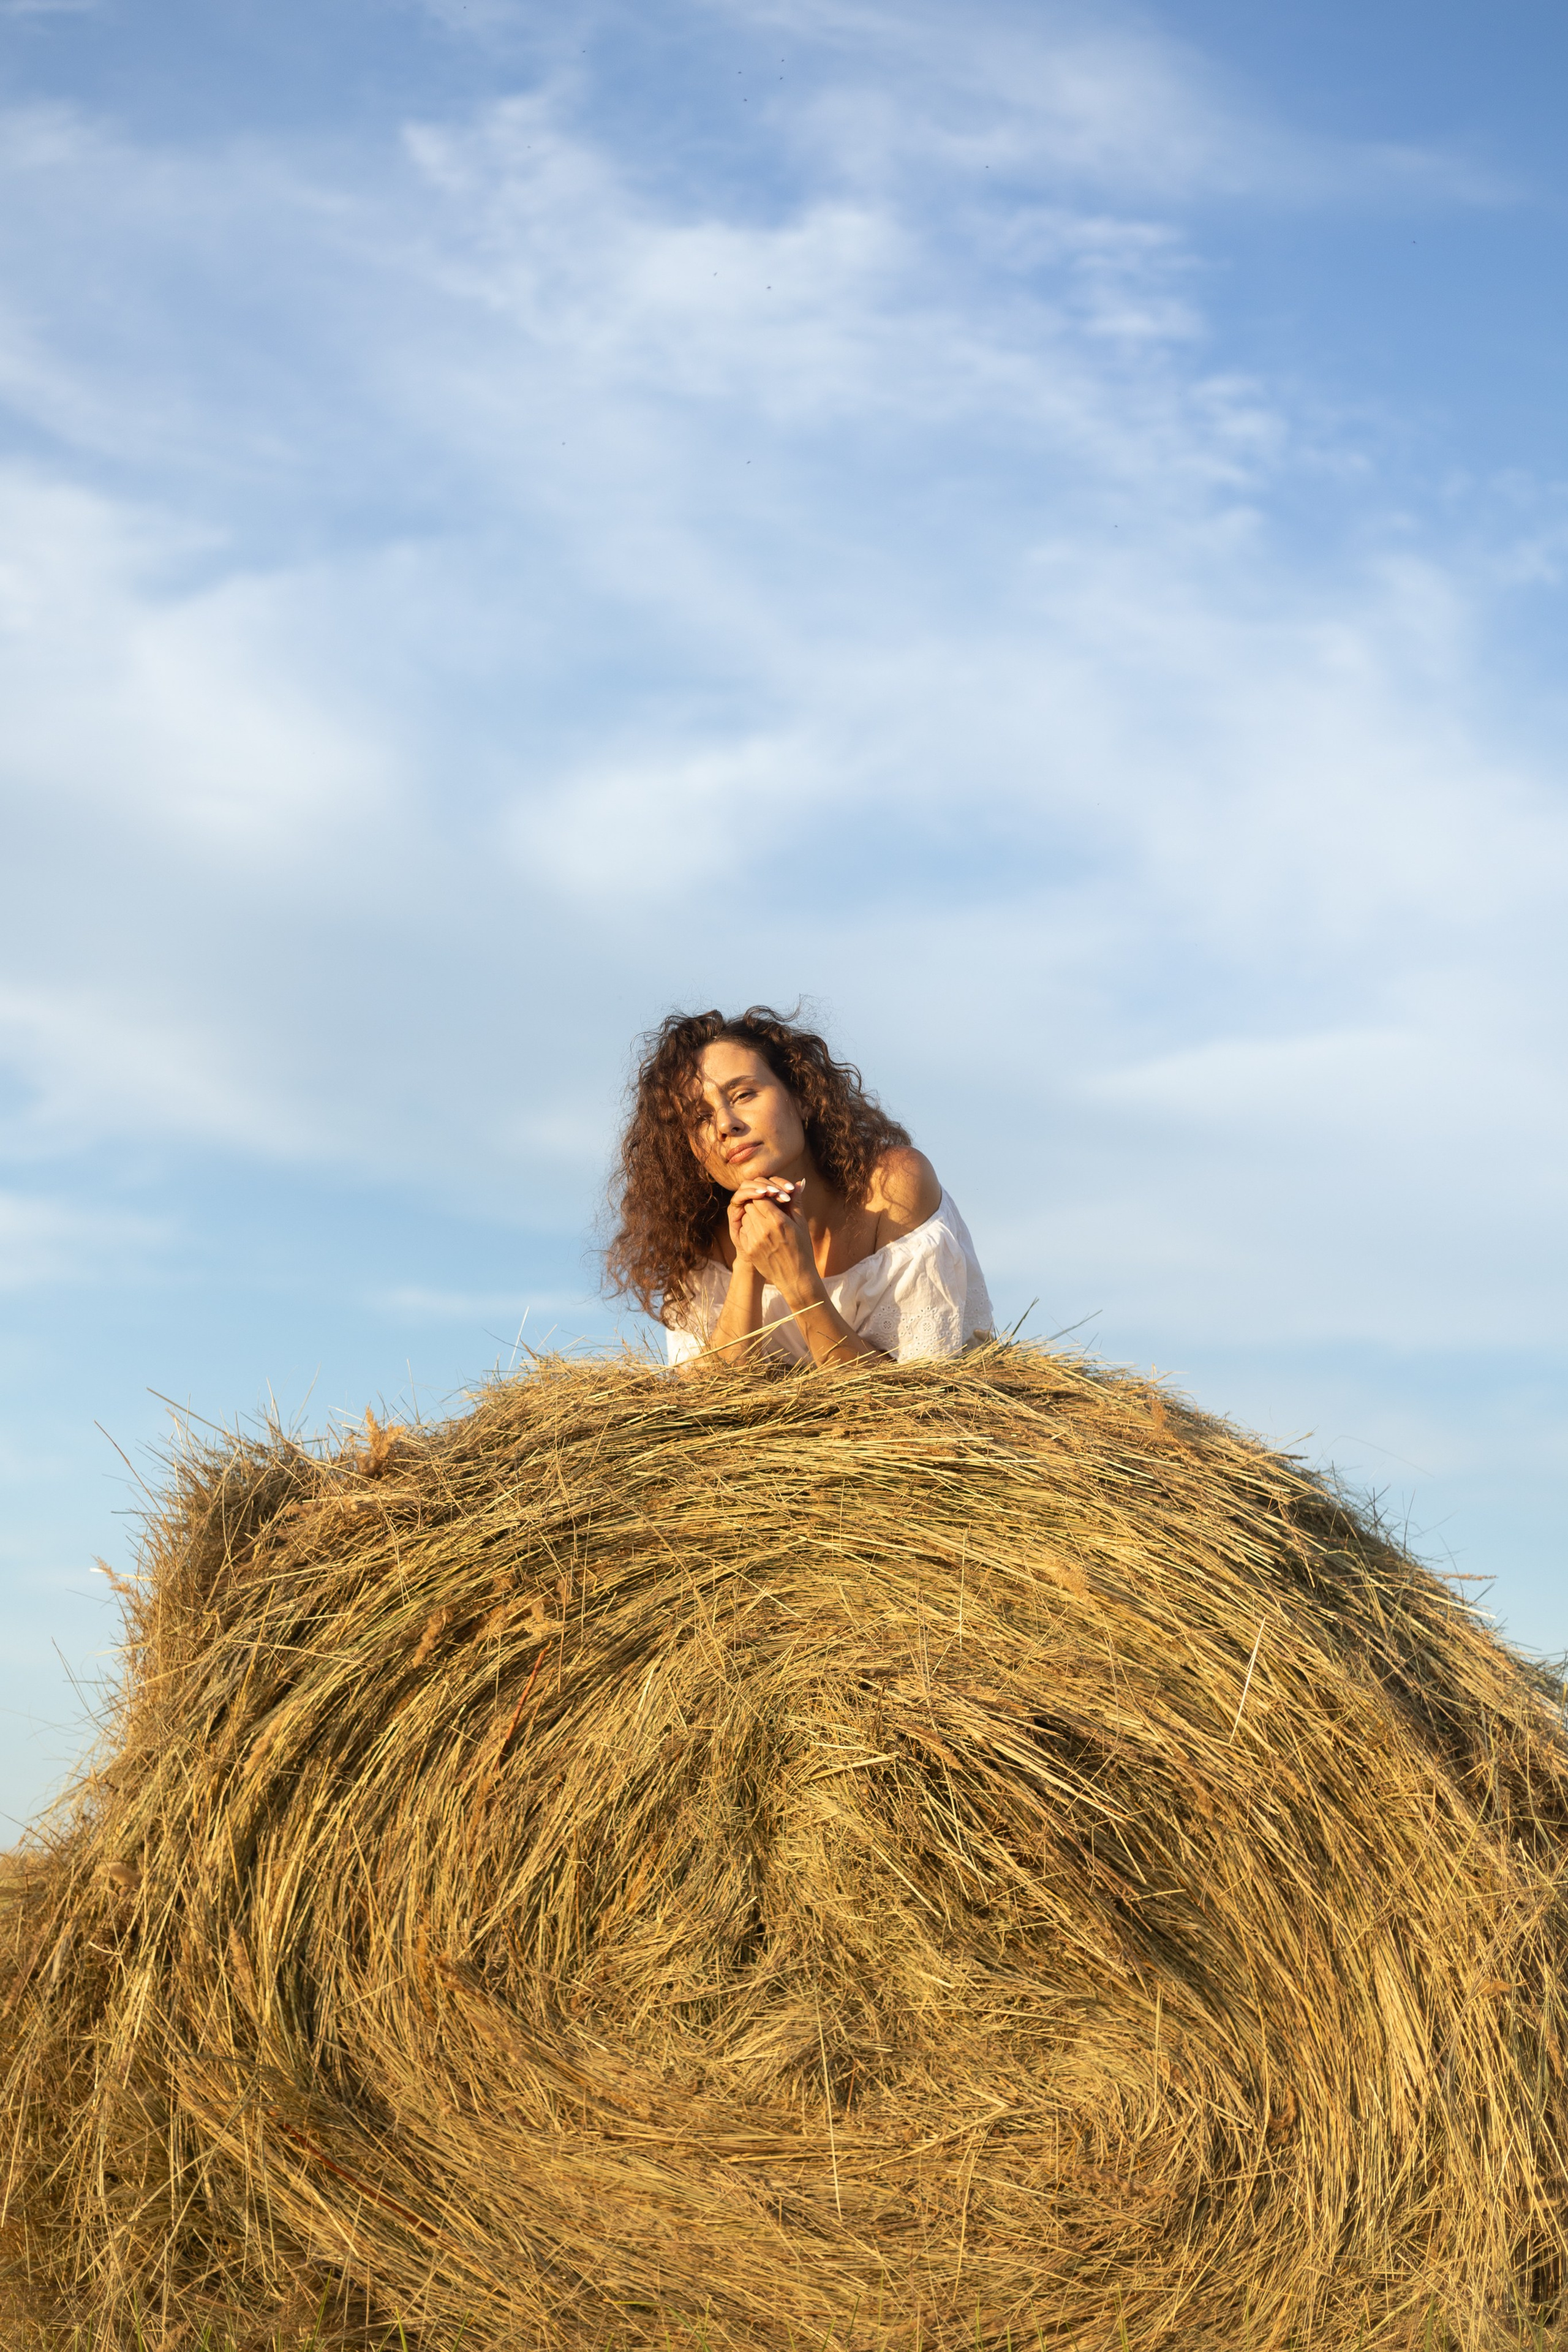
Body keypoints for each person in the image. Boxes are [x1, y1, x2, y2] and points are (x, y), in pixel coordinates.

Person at [606, 1006, 993, 1371]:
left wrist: (798, 1282)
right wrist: (748, 1264)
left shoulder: (892, 1186)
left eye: (743, 1094)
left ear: (804, 1097)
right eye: (700, 1118)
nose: (725, 1124)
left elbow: (915, 1405)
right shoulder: (694, 1233)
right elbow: (708, 1412)